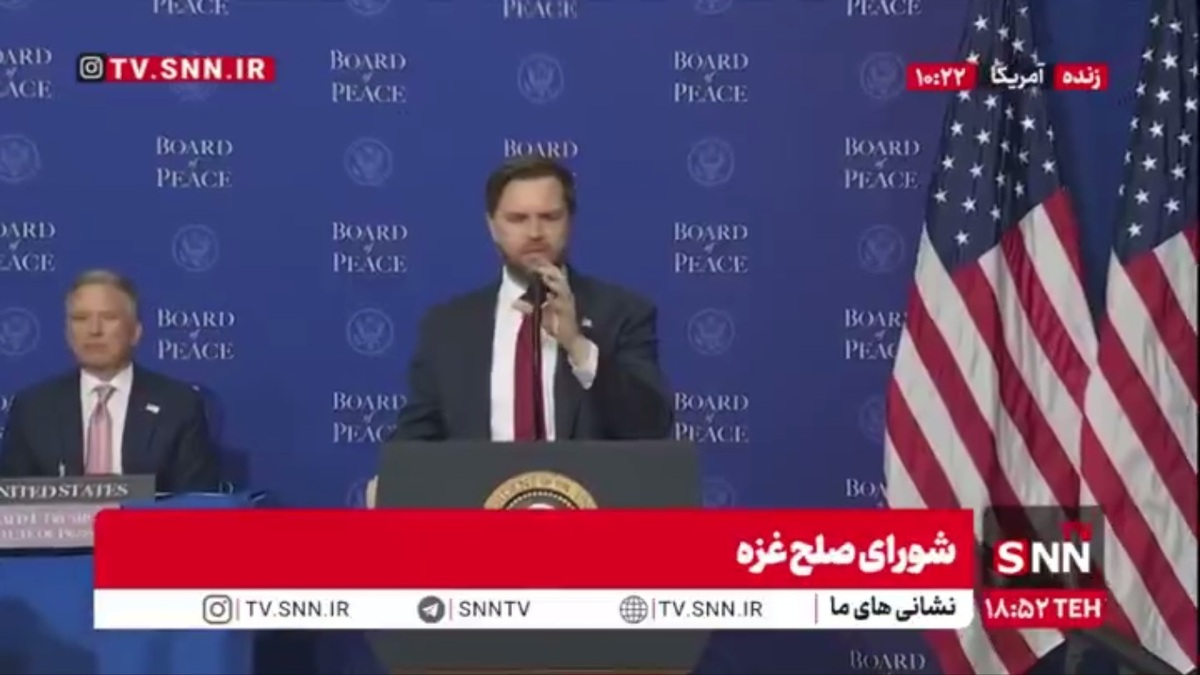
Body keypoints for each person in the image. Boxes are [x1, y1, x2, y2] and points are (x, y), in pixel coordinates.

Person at [391, 155, 673, 443]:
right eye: (517, 219)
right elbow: (414, 442)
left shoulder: (622, 313)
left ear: (570, 222)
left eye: (550, 217)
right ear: (492, 226)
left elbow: (650, 427)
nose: (535, 233)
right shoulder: (447, 327)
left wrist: (576, 344)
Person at [0, 270, 219, 492]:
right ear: (67, 333)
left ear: (135, 332)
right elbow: (12, 503)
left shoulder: (179, 405)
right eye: (81, 319)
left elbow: (195, 503)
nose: (94, 330)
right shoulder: (33, 408)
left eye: (108, 317)